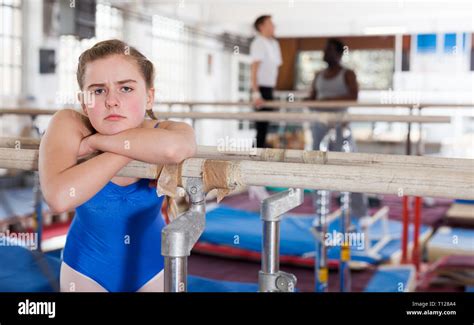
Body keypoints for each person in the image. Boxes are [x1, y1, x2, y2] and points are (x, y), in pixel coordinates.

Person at [39, 39, 197, 292]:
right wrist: (131, 147)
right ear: (83, 101)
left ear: (149, 97)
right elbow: (58, 197)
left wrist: (96, 143)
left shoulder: (169, 130)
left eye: (125, 89)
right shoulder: (68, 122)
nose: (112, 101)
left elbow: (174, 149)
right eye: (98, 91)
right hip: (86, 267)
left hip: (153, 265)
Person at [308, 38, 367, 218]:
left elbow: (353, 96)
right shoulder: (318, 74)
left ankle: (359, 212)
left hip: (341, 127)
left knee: (351, 169)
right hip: (320, 126)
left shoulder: (348, 74)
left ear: (339, 53)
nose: (324, 54)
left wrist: (325, 102)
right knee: (317, 168)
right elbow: (311, 98)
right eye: (324, 50)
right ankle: (320, 212)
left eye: (329, 50)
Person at [249, 15, 282, 148]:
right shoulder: (259, 43)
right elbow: (254, 69)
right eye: (270, 23)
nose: (274, 26)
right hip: (260, 89)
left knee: (266, 127)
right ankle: (254, 155)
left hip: (269, 89)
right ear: (261, 26)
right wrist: (256, 93)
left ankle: (258, 153)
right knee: (261, 128)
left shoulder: (274, 44)